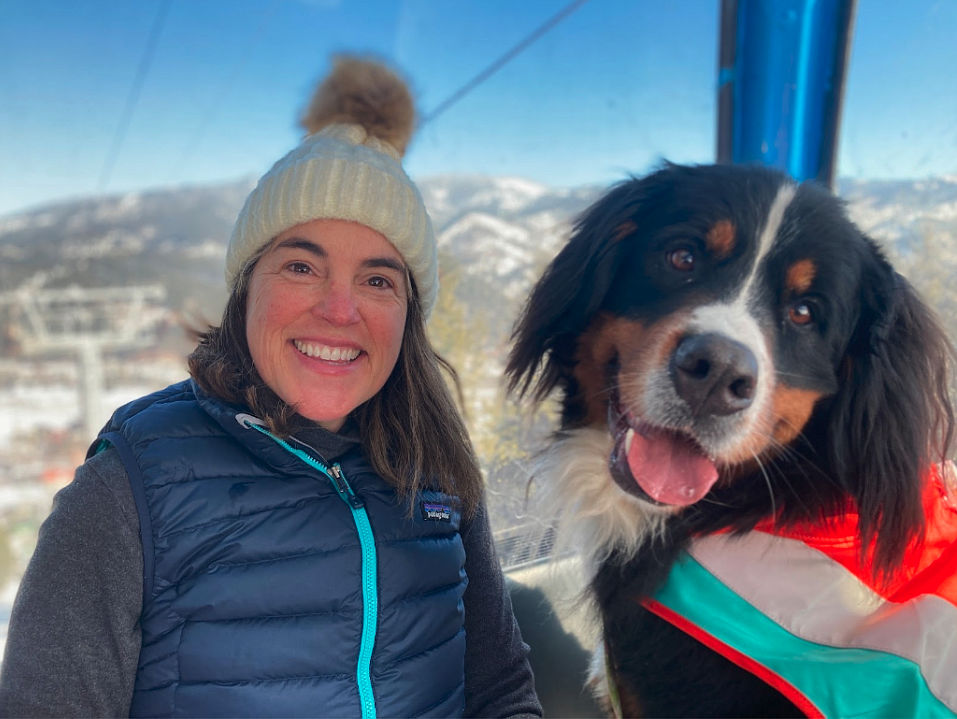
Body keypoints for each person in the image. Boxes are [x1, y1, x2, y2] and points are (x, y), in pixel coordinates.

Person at [0, 56, 542, 719]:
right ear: (245, 289)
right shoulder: (133, 485)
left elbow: (499, 689)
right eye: (301, 265)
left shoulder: (435, 466)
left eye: (377, 279)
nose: (340, 311)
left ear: (407, 312)